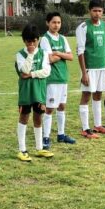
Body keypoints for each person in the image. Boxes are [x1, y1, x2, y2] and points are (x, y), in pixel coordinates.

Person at [76, 0, 105, 138]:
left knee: (98, 94)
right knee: (86, 96)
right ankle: (85, 129)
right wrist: (84, 73)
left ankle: (98, 125)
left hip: (101, 68)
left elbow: (102, 46)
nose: (97, 13)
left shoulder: (104, 25)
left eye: (99, 11)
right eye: (94, 11)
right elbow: (80, 51)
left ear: (102, 12)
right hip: (89, 68)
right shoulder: (83, 27)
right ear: (89, 11)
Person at [15, 25, 54, 161]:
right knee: (24, 118)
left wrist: (31, 74)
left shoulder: (43, 53)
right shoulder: (20, 55)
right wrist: (30, 54)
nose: (31, 44)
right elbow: (23, 70)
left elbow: (46, 71)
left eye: (34, 41)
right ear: (24, 41)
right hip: (26, 92)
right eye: (28, 41)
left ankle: (39, 148)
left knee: (38, 118)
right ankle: (22, 150)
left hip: (39, 91)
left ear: (38, 40)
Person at [39, 12, 76, 149]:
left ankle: (61, 134)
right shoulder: (45, 39)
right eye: (54, 22)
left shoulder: (63, 38)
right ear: (47, 23)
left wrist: (58, 53)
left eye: (59, 22)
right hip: (52, 78)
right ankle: (46, 137)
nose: (56, 25)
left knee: (62, 106)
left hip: (63, 77)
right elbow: (49, 58)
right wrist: (63, 55)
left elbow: (71, 56)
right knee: (49, 109)